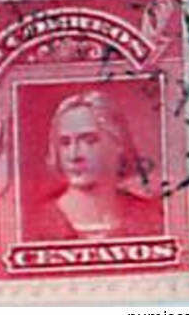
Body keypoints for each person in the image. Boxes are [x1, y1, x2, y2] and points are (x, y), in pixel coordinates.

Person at [28, 91, 164, 241]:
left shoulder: (151, 217)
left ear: (118, 143)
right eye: (65, 143)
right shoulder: (34, 223)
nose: (74, 156)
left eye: (89, 141)